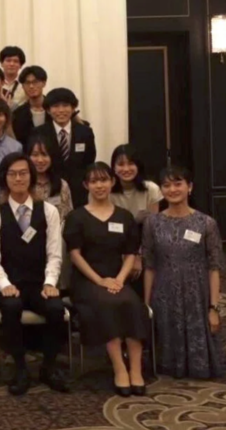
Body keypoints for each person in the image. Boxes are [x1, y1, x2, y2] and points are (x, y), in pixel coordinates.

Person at [0, 153, 68, 395]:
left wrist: (51, 282)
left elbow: (55, 253)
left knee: (55, 309)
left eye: (23, 173)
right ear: (4, 178)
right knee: (11, 307)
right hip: (9, 283)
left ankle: (49, 367)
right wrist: (4, 285)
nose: (18, 178)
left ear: (31, 177)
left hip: (40, 283)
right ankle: (20, 369)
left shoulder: (49, 211)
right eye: (12, 174)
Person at [65, 163, 150, 396]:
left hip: (117, 278)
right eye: (93, 181)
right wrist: (100, 280)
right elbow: (75, 255)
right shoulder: (77, 217)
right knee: (108, 303)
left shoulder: (124, 216)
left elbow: (131, 253)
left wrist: (120, 279)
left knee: (133, 303)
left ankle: (136, 369)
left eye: (103, 180)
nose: (99, 185)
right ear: (86, 185)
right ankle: (119, 368)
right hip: (87, 280)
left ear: (112, 182)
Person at [143, 166, 224, 378]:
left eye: (178, 183)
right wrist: (146, 304)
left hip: (197, 293)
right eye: (167, 185)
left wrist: (213, 307)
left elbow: (214, 267)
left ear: (190, 187)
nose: (172, 189)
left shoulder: (206, 223)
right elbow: (149, 265)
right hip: (165, 292)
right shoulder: (152, 222)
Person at [31, 87, 96, 206]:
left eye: (65, 105)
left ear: (73, 108)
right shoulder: (39, 133)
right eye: (55, 106)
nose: (61, 110)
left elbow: (89, 161)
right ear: (48, 110)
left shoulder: (85, 132)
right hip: (50, 189)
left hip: (79, 192)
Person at [110, 144, 163, 224]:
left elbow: (153, 224)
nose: (126, 169)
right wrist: (134, 221)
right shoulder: (107, 190)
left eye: (131, 163)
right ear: (114, 167)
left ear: (138, 165)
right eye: (121, 164)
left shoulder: (151, 189)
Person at [26, 134, 73, 222]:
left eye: (44, 155)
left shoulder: (62, 185)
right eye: (35, 155)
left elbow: (68, 216)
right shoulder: (23, 184)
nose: (40, 160)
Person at [12, 66, 48, 144]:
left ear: (44, 83)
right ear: (22, 86)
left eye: (35, 82)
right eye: (27, 83)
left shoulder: (54, 108)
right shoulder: (17, 114)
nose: (31, 86)